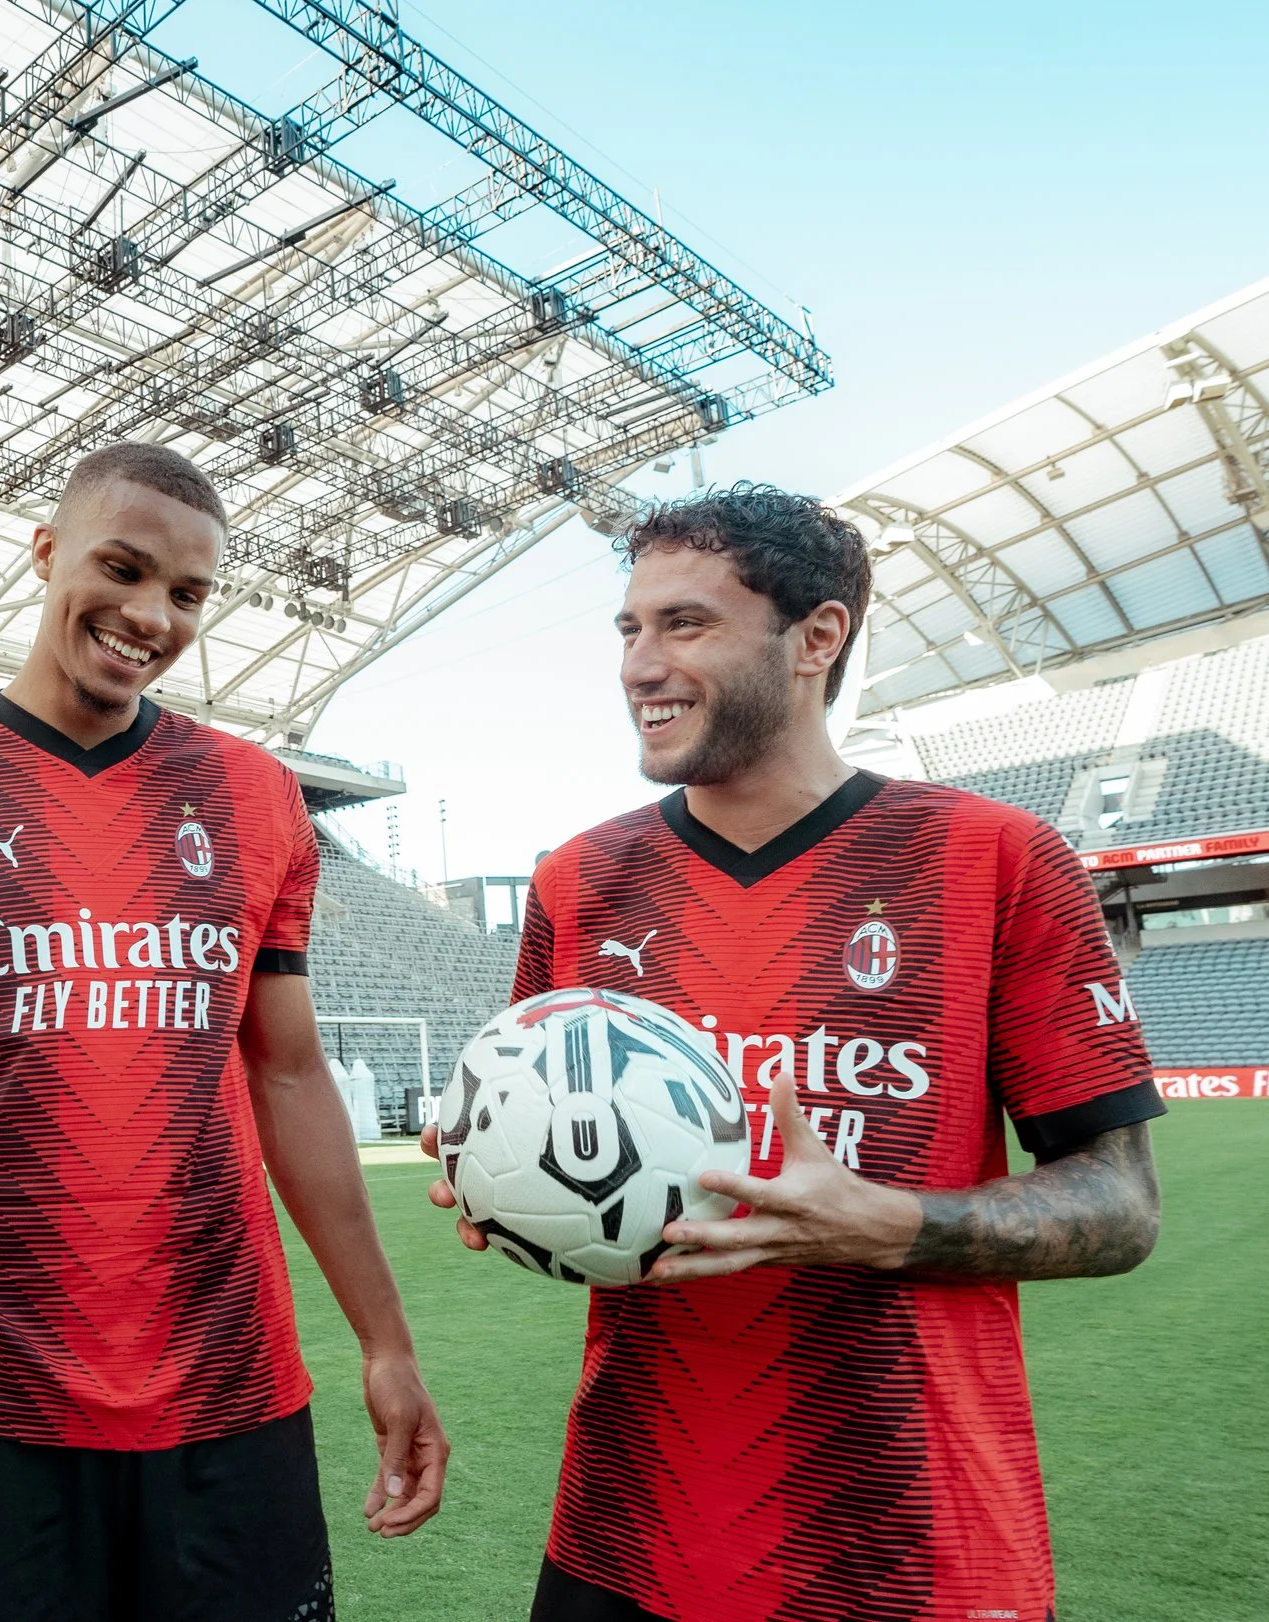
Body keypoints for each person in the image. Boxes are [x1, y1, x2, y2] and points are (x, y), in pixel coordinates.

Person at [0, 442, 449, 1621]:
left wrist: (385, 1341)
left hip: (231, 1387)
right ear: (48, 549)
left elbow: (293, 1072)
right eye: (121, 566)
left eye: (189, 594)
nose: (150, 614)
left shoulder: (255, 794)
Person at [425, 483, 1163, 1622]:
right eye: (629, 628)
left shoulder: (992, 858)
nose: (638, 664)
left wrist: (890, 1223)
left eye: (686, 624)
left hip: (911, 1552)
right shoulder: (578, 879)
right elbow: (549, 1142)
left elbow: (1121, 1206)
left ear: (815, 637)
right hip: (625, 1534)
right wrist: (494, 1172)